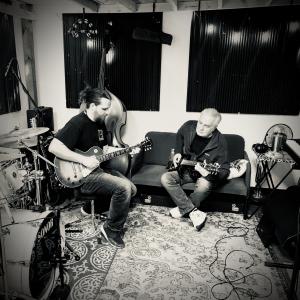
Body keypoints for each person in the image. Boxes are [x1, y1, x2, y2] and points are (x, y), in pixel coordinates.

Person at [48, 87, 137, 248]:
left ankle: (89, 208)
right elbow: (53, 147)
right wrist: (83, 160)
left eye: (108, 108)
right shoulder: (77, 123)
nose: (108, 112)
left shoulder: (100, 124)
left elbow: (102, 151)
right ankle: (111, 230)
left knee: (132, 189)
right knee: (124, 188)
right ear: (92, 106)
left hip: (96, 170)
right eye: (104, 108)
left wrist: (128, 150)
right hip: (82, 175)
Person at [161, 108, 230, 231]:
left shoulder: (220, 143)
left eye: (207, 126)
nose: (201, 128)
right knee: (166, 178)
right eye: (200, 123)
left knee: (204, 185)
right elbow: (179, 135)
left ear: (215, 127)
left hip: (203, 176)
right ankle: (193, 211)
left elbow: (225, 170)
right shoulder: (189, 126)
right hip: (186, 170)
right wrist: (177, 152)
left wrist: (207, 174)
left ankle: (184, 208)